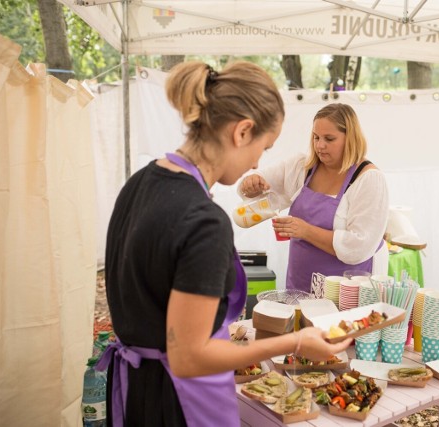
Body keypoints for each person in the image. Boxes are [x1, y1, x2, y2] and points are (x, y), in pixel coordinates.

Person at [98, 61, 351, 427]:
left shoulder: (141, 181)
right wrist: (294, 342)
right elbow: (188, 357)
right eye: (263, 147)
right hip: (178, 400)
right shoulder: (204, 221)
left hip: (133, 388)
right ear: (243, 131)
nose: (257, 162)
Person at [238, 103, 389, 292]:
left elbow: (359, 247)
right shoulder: (302, 167)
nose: (320, 145)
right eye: (316, 137)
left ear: (350, 138)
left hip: (346, 291)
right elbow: (260, 200)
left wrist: (306, 231)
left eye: (329, 139)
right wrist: (251, 185)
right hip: (300, 282)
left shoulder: (368, 179)